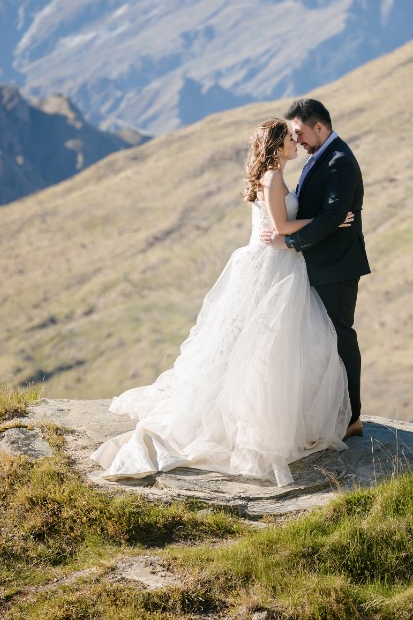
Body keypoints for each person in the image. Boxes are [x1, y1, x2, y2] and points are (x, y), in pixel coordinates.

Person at [91, 118, 353, 487]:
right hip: (272, 263)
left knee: (265, 344)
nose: (296, 143)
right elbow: (279, 226)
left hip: (275, 262)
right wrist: (332, 220)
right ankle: (253, 423)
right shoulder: (274, 179)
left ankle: (267, 415)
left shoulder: (272, 175)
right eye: (291, 140)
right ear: (278, 146)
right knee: (264, 345)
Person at [261, 98, 370, 441]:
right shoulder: (318, 156)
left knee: (340, 339)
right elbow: (322, 215)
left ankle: (351, 417)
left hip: (336, 268)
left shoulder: (339, 162)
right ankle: (328, 412)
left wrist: (289, 242)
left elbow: (332, 217)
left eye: (299, 132)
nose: (298, 140)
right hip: (317, 265)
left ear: (319, 127)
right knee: (320, 342)